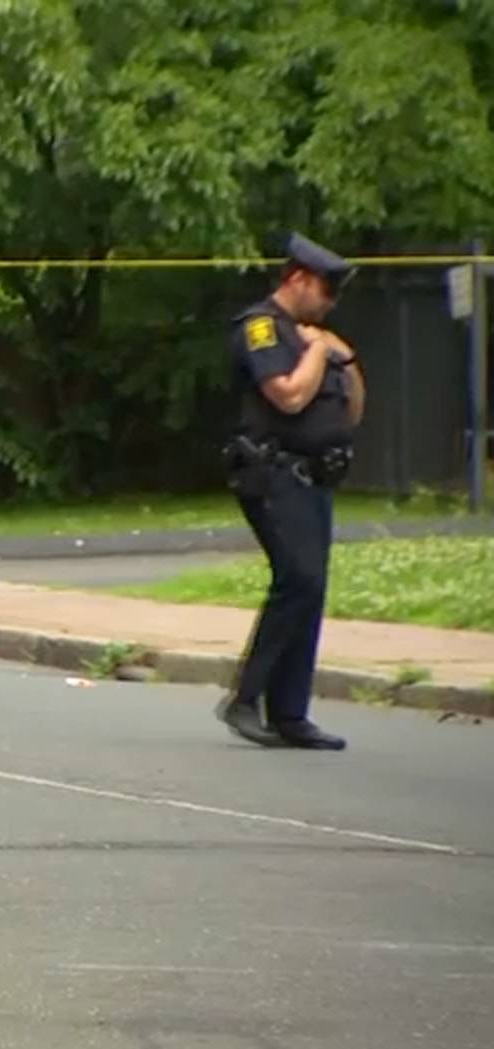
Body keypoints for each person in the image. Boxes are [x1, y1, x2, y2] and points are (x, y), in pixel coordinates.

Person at [216, 233, 365, 750]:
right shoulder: (262, 328)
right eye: (325, 291)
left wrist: (346, 360)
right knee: (298, 579)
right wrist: (319, 351)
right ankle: (244, 699)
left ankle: (289, 714)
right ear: (298, 279)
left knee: (310, 588)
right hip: (274, 474)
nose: (330, 304)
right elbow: (288, 396)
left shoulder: (314, 338)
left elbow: (353, 410)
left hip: (316, 477)